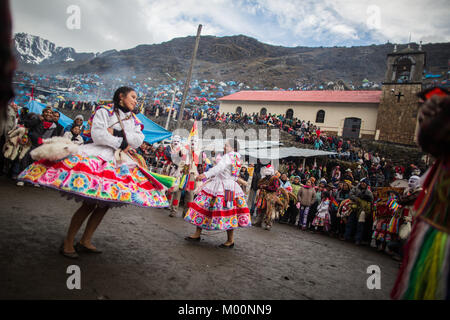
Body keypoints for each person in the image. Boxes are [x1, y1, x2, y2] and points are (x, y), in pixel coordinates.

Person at [18, 87, 169, 259]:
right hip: (98, 156)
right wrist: (122, 140)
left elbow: (138, 139)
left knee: (104, 204)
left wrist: (117, 135)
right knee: (89, 203)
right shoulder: (104, 111)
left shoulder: (133, 119)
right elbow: (98, 135)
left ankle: (85, 240)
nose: (136, 100)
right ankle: (68, 241)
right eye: (133, 97)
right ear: (121, 96)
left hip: (118, 160)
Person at [184, 138, 251, 248]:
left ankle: (199, 234)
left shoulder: (229, 156)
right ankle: (229, 240)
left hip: (221, 187)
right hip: (230, 188)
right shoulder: (237, 158)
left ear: (233, 148)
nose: (225, 147)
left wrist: (205, 175)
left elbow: (219, 168)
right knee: (228, 211)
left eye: (227, 146)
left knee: (205, 207)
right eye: (225, 145)